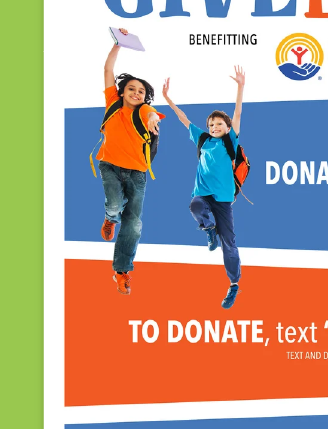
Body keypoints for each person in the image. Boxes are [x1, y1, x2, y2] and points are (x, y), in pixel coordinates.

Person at [161, 67, 246, 309]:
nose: (214, 126)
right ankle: (209, 229)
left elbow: (237, 114)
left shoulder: (230, 141)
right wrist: (168, 98)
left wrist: (240, 87)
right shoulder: (202, 139)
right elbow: (183, 118)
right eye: (211, 124)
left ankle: (233, 284)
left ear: (227, 127)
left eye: (219, 123)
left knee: (229, 242)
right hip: (203, 194)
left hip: (223, 200)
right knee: (195, 205)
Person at [96, 42, 162, 294]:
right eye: (131, 89)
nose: (136, 93)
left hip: (137, 174)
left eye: (141, 91)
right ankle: (110, 218)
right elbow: (107, 68)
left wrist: (153, 118)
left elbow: (150, 114)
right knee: (114, 205)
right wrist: (117, 44)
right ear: (121, 92)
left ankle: (121, 271)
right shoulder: (112, 102)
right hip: (110, 166)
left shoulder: (145, 110)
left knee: (133, 224)